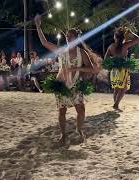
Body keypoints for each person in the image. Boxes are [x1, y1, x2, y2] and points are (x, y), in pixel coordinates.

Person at [35, 14, 94, 143]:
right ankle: (63, 134)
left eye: (70, 36)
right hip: (61, 84)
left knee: (81, 109)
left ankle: (79, 130)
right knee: (62, 111)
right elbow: (44, 43)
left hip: (75, 84)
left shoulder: (82, 53)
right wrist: (38, 27)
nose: (67, 38)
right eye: (66, 37)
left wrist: (77, 69)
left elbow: (91, 68)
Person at [104, 27, 139, 112]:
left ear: (115, 37)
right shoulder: (125, 45)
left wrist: (113, 61)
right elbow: (137, 39)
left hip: (114, 70)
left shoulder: (111, 46)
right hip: (123, 69)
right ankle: (116, 105)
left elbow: (106, 59)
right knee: (123, 88)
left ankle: (116, 105)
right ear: (123, 37)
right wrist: (131, 33)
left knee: (116, 88)